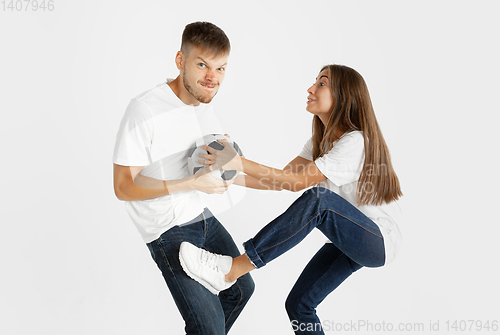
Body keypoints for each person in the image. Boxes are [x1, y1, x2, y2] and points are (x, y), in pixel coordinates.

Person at [179, 64, 403, 334]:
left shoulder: (356, 142)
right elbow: (283, 180)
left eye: (322, 83)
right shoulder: (319, 142)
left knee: (319, 201)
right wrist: (227, 174)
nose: (310, 89)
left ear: (344, 96)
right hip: (349, 238)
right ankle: (232, 270)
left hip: (378, 239)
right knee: (299, 305)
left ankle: (231, 270)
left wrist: (238, 162)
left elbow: (298, 183)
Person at [112, 21, 254, 335]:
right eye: (202, 65)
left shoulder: (203, 104)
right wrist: (191, 183)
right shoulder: (144, 109)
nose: (212, 78)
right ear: (180, 61)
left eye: (221, 69)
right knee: (209, 327)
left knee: (241, 288)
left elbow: (199, 160)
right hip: (167, 230)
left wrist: (220, 164)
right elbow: (122, 187)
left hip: (201, 216)